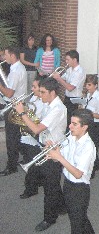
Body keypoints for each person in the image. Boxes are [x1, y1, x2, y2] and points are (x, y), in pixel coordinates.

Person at [14, 77, 66, 232]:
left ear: (52, 92)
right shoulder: (48, 104)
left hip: (53, 152)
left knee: (50, 187)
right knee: (52, 182)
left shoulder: (57, 108)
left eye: (43, 92)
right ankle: (62, 206)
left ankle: (49, 218)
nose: (40, 95)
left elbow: (37, 129)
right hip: (45, 147)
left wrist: (22, 112)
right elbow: (37, 123)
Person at [46, 108, 96, 234]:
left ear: (84, 127)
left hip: (79, 190)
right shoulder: (71, 138)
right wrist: (55, 153)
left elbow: (78, 174)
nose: (70, 126)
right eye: (70, 123)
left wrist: (60, 158)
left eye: (74, 124)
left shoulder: (88, 147)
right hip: (68, 184)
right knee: (80, 219)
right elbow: (61, 159)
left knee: (76, 226)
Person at [0, 46, 27, 176]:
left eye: (6, 55)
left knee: (11, 137)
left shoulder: (16, 71)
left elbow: (9, 93)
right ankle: (17, 160)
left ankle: (11, 166)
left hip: (13, 106)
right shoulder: (16, 68)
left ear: (12, 56)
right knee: (16, 135)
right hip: (16, 105)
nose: (4, 58)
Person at [19, 77, 46, 199]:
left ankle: (30, 188)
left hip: (36, 135)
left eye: (34, 87)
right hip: (29, 134)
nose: (32, 89)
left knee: (32, 162)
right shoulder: (34, 98)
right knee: (31, 159)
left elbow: (36, 120)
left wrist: (23, 114)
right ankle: (37, 180)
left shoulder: (43, 103)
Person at [52, 50, 86, 132]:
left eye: (68, 60)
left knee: (71, 121)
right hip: (68, 98)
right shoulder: (70, 69)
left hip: (75, 100)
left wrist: (58, 78)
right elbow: (64, 78)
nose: (66, 62)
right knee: (65, 119)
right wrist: (55, 74)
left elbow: (70, 88)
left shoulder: (79, 72)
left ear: (74, 60)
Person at [84, 75, 99, 178]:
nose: (87, 87)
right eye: (86, 84)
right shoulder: (88, 95)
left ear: (96, 86)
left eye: (89, 85)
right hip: (90, 122)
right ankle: (96, 165)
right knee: (91, 144)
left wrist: (89, 113)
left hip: (96, 124)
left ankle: (91, 171)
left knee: (93, 147)